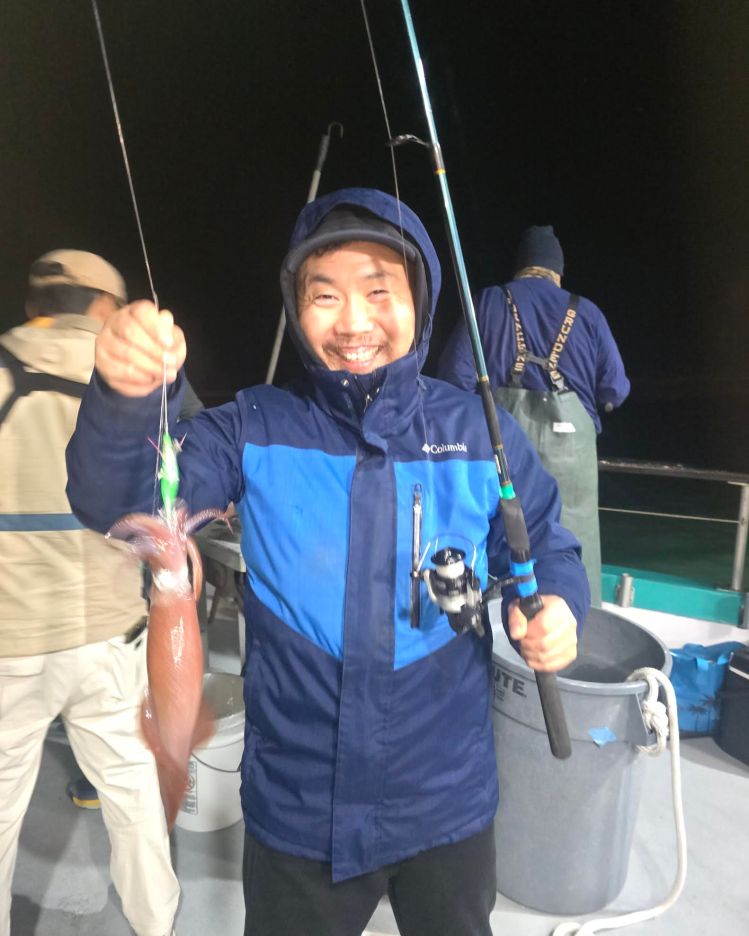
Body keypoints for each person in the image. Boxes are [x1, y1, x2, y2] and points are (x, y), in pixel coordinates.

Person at [66, 190, 590, 936]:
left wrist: (558, 606)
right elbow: (117, 505)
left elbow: (543, 544)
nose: (352, 321)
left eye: (380, 291)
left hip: (447, 806)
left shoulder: (479, 431)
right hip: (297, 814)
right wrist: (125, 394)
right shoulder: (253, 425)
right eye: (324, 295)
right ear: (296, 306)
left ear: (422, 298)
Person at [0, 250, 179, 936]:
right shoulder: (135, 379)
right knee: (134, 797)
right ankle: (156, 924)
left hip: (11, 638)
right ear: (106, 308)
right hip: (111, 634)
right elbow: (181, 480)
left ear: (36, 300)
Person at [436, 225, 630, 607]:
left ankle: (495, 623)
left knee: (503, 542)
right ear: (556, 271)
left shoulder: (490, 302)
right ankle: (572, 626)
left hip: (504, 451)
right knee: (570, 551)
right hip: (572, 464)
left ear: (521, 267)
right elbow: (616, 390)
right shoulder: (586, 313)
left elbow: (452, 383)